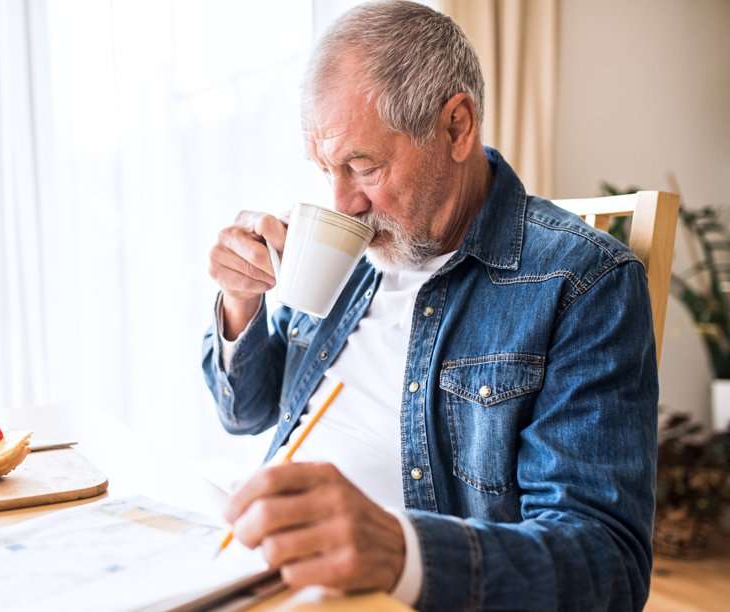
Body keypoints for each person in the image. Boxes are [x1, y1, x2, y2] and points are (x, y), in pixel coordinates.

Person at [201, 2, 657, 610]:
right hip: (260, 571)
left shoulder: (581, 282)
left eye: (362, 166)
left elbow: (607, 568)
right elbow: (247, 412)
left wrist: (399, 551)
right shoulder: (342, 254)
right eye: (326, 169)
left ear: (456, 127)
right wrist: (241, 302)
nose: (343, 202)